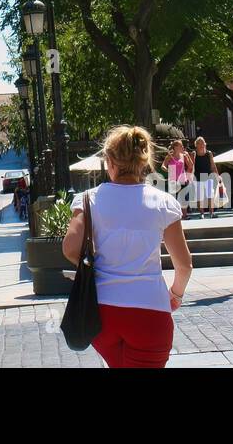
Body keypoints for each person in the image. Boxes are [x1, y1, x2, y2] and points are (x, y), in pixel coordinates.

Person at [62, 125, 192, 368]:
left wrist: (94, 270)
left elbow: (70, 248)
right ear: (144, 162)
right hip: (150, 311)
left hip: (102, 314)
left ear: (109, 161)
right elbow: (184, 265)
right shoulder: (164, 203)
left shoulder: (89, 199)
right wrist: (175, 295)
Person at [163, 139, 193, 216]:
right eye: (181, 145)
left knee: (184, 198)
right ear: (175, 147)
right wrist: (168, 171)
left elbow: (190, 166)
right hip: (173, 179)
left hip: (183, 179)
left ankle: (184, 216)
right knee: (174, 199)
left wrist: (188, 157)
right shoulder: (169, 156)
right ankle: (175, 216)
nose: (182, 147)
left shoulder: (184, 155)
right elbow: (163, 166)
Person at [191, 137, 219, 218]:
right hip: (198, 177)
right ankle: (202, 213)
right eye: (199, 143)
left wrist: (218, 176)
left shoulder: (209, 153)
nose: (201, 144)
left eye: (203, 143)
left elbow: (213, 166)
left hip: (208, 177)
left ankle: (211, 213)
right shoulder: (194, 153)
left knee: (210, 195)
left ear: (205, 144)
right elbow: (191, 166)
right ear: (196, 145)